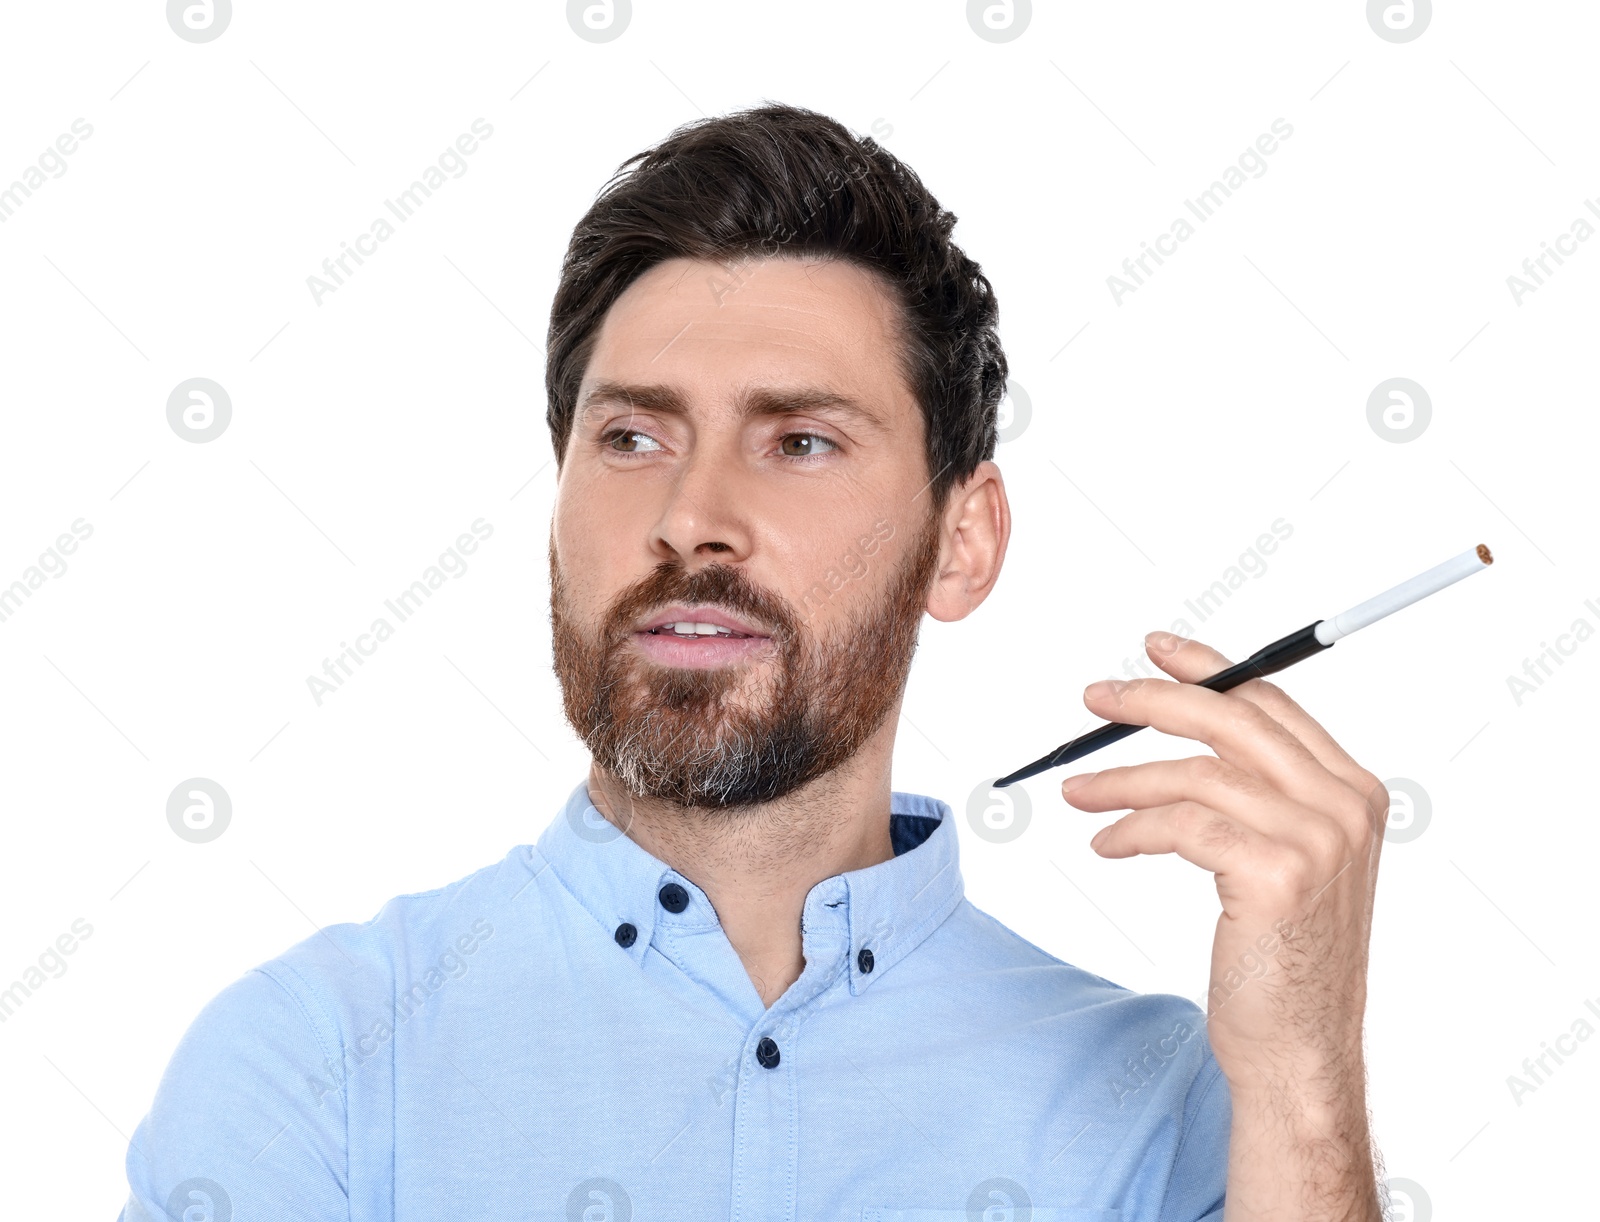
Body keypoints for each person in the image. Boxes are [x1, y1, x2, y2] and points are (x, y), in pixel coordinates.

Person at [121, 102, 1387, 1222]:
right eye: (630, 436)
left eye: (799, 442)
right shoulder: (311, 1064)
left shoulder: (1163, 1112)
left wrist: (1303, 1079)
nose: (690, 514)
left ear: (961, 541)